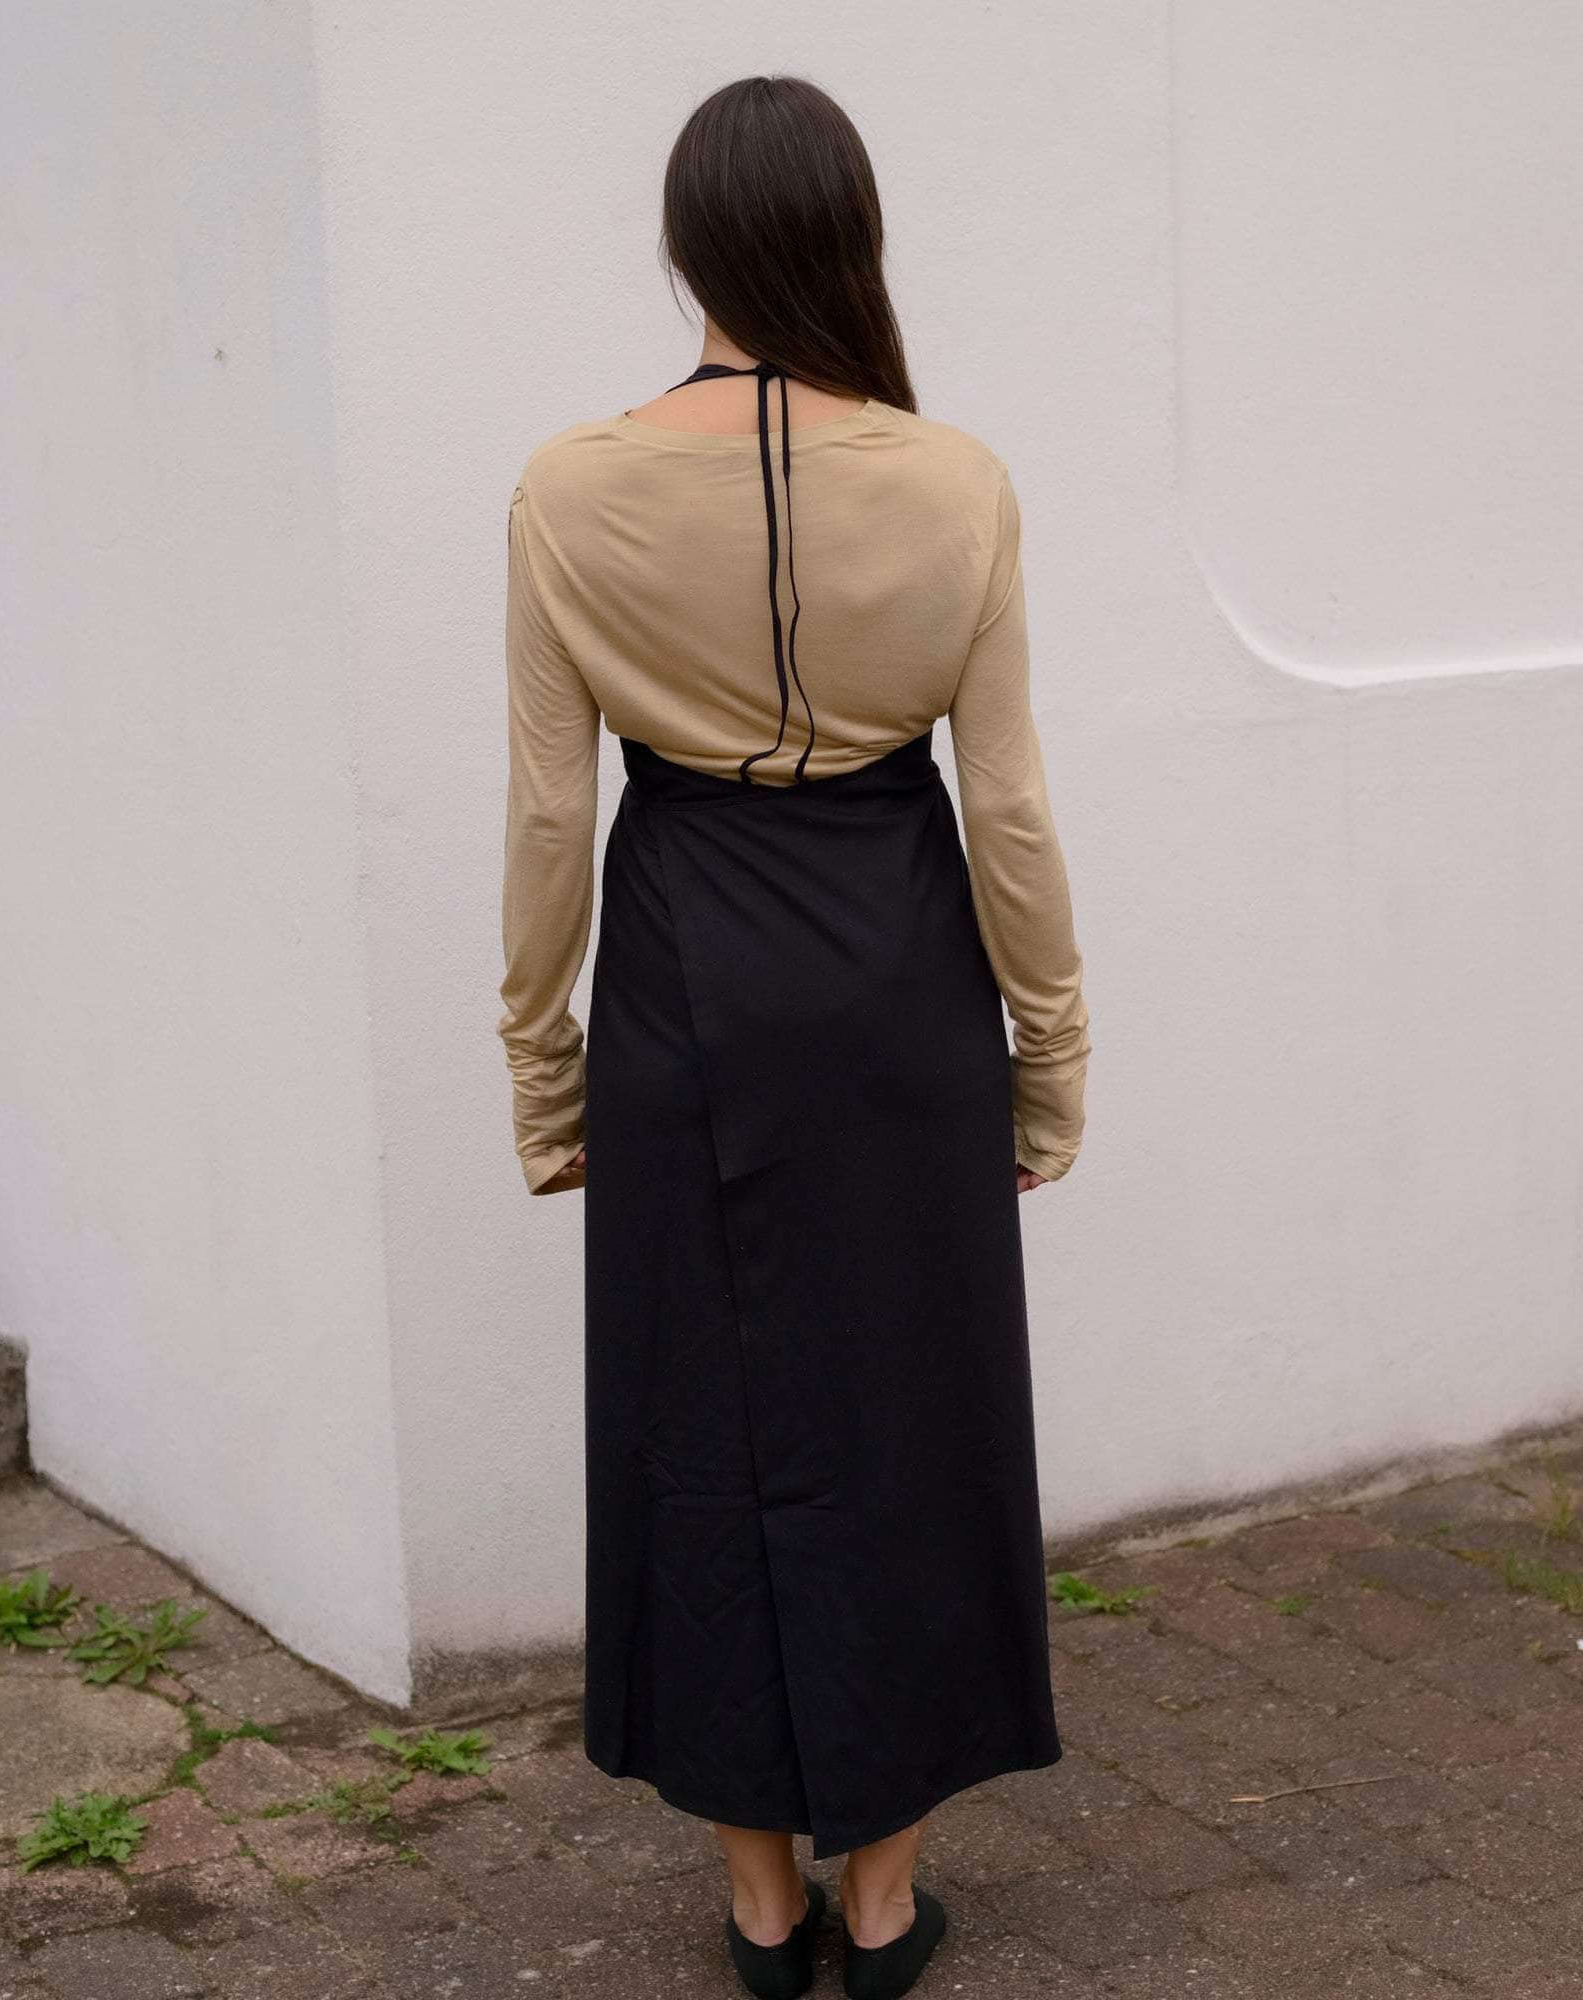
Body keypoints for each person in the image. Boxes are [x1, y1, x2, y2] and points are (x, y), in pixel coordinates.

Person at [498, 72, 1092, 2000]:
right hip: (901, 980)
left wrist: (542, 1066)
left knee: (699, 1416)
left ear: (686, 247)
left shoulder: (567, 489)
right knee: (911, 1412)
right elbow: (1008, 810)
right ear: (855, 238)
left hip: (683, 981)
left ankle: (763, 1909)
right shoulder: (956, 481)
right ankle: (886, 1903)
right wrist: (1051, 1053)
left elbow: (546, 814)